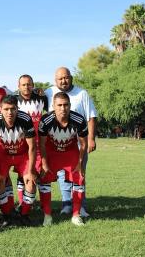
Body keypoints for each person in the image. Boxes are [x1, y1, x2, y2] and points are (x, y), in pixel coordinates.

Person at [45, 67, 96, 217]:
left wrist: (91, 138)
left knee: (79, 174)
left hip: (79, 143)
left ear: (71, 78)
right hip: (57, 144)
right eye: (60, 79)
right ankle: (67, 205)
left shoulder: (82, 94)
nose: (63, 81)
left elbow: (91, 116)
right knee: (63, 175)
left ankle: (81, 207)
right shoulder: (49, 92)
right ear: (55, 80)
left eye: (66, 77)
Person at [38, 92, 88, 227]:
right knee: (44, 178)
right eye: (59, 105)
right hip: (51, 152)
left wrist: (80, 163)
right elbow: (41, 143)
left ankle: (76, 215)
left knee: (79, 178)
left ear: (70, 106)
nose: (62, 108)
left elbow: (83, 144)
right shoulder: (45, 120)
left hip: (70, 152)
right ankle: (47, 215)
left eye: (66, 105)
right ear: (53, 106)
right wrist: (44, 163)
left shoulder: (79, 119)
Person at [0, 95, 37, 225]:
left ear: (17, 108)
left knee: (30, 182)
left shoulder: (25, 119)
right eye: (6, 109)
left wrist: (31, 171)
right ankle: (8, 215)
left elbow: (32, 147)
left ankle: (24, 214)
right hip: (3, 155)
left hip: (22, 155)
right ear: (0, 109)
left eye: (13, 109)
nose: (10, 112)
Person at [15, 74, 48, 205]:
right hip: (21, 144)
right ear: (18, 87)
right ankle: (22, 202)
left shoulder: (42, 98)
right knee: (21, 174)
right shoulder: (14, 101)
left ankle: (40, 202)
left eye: (29, 84)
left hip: (38, 143)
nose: (26, 87)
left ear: (33, 86)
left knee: (38, 172)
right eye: (23, 84)